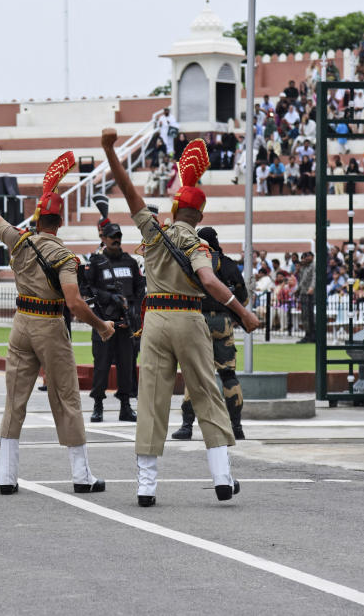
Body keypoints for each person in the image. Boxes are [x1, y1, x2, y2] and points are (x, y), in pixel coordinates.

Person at [102, 128, 260, 507]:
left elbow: (127, 189)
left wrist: (109, 151)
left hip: (155, 319)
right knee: (207, 393)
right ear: (200, 214)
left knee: (152, 398)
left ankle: (146, 486)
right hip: (190, 318)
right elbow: (208, 279)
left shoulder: (153, 232)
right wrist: (242, 313)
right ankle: (222, 479)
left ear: (173, 210)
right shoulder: (198, 242)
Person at [0, 142, 114, 495]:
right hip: (48, 326)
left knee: (15, 399)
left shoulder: (18, 240)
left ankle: (5, 476)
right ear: (59, 221)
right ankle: (81, 475)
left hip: (21, 324)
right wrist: (102, 326)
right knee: (67, 397)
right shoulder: (63, 255)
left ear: (37, 217)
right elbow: (74, 303)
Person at [171, 227, 249, 441]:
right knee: (228, 375)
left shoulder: (193, 262)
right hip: (223, 321)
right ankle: (236, 426)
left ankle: (187, 426)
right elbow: (243, 297)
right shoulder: (229, 265)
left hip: (198, 319)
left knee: (194, 374)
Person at [84, 222, 142, 423]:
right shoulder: (96, 262)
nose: (116, 239)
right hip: (103, 323)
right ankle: (97, 406)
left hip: (125, 325)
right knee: (101, 366)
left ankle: (125, 406)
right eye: (112, 236)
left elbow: (138, 291)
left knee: (127, 366)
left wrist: (133, 312)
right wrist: (110, 298)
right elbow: (87, 289)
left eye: (118, 236)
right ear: (103, 239)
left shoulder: (130, 262)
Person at [296, 251, 315, 342]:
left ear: (312, 257)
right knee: (304, 315)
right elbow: (302, 281)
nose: (305, 259)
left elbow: (314, 278)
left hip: (309, 293)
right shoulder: (303, 268)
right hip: (303, 293)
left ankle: (311, 335)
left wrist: (312, 287)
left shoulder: (313, 266)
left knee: (308, 315)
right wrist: (297, 290)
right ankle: (308, 334)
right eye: (303, 257)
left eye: (307, 256)